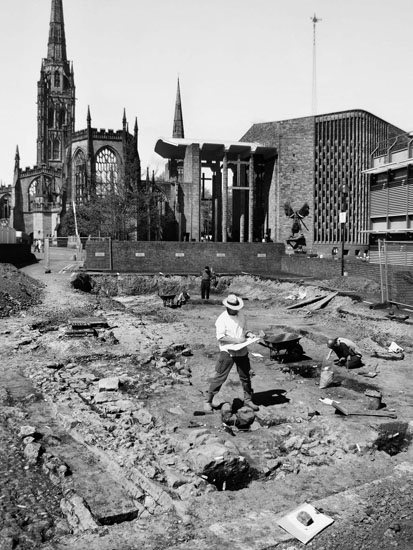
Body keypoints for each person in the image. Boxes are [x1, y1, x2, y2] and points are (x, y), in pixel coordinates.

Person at [204, 294, 259, 412]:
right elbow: (221, 337)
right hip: (228, 351)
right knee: (220, 377)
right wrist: (236, 340)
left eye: (237, 308)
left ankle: (248, 400)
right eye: (233, 308)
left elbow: (245, 329)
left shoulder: (242, 315)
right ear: (228, 307)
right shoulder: (222, 319)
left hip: (242, 350)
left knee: (245, 376)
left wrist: (250, 334)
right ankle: (208, 400)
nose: (236, 310)